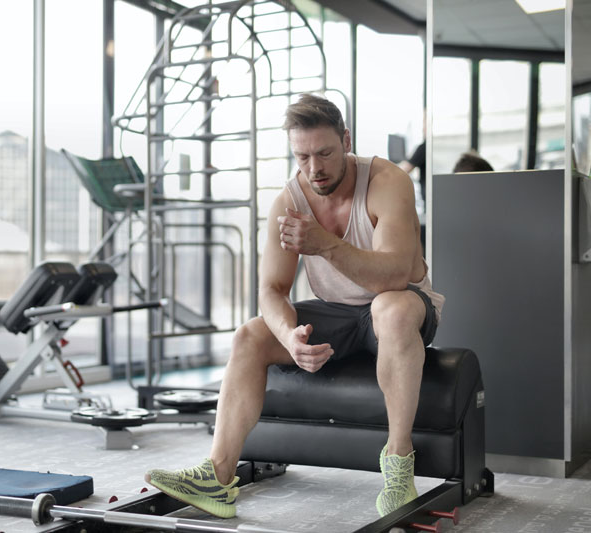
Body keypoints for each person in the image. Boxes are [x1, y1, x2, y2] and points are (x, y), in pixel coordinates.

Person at [145, 93, 445, 519]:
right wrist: (289, 335)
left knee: (390, 309)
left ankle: (398, 464)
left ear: (346, 140)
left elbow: (395, 276)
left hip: (403, 306)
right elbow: (271, 288)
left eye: (324, 153)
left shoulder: (387, 181)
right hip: (338, 314)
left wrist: (324, 243)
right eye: (302, 156)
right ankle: (217, 477)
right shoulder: (289, 201)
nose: (314, 167)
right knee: (251, 334)